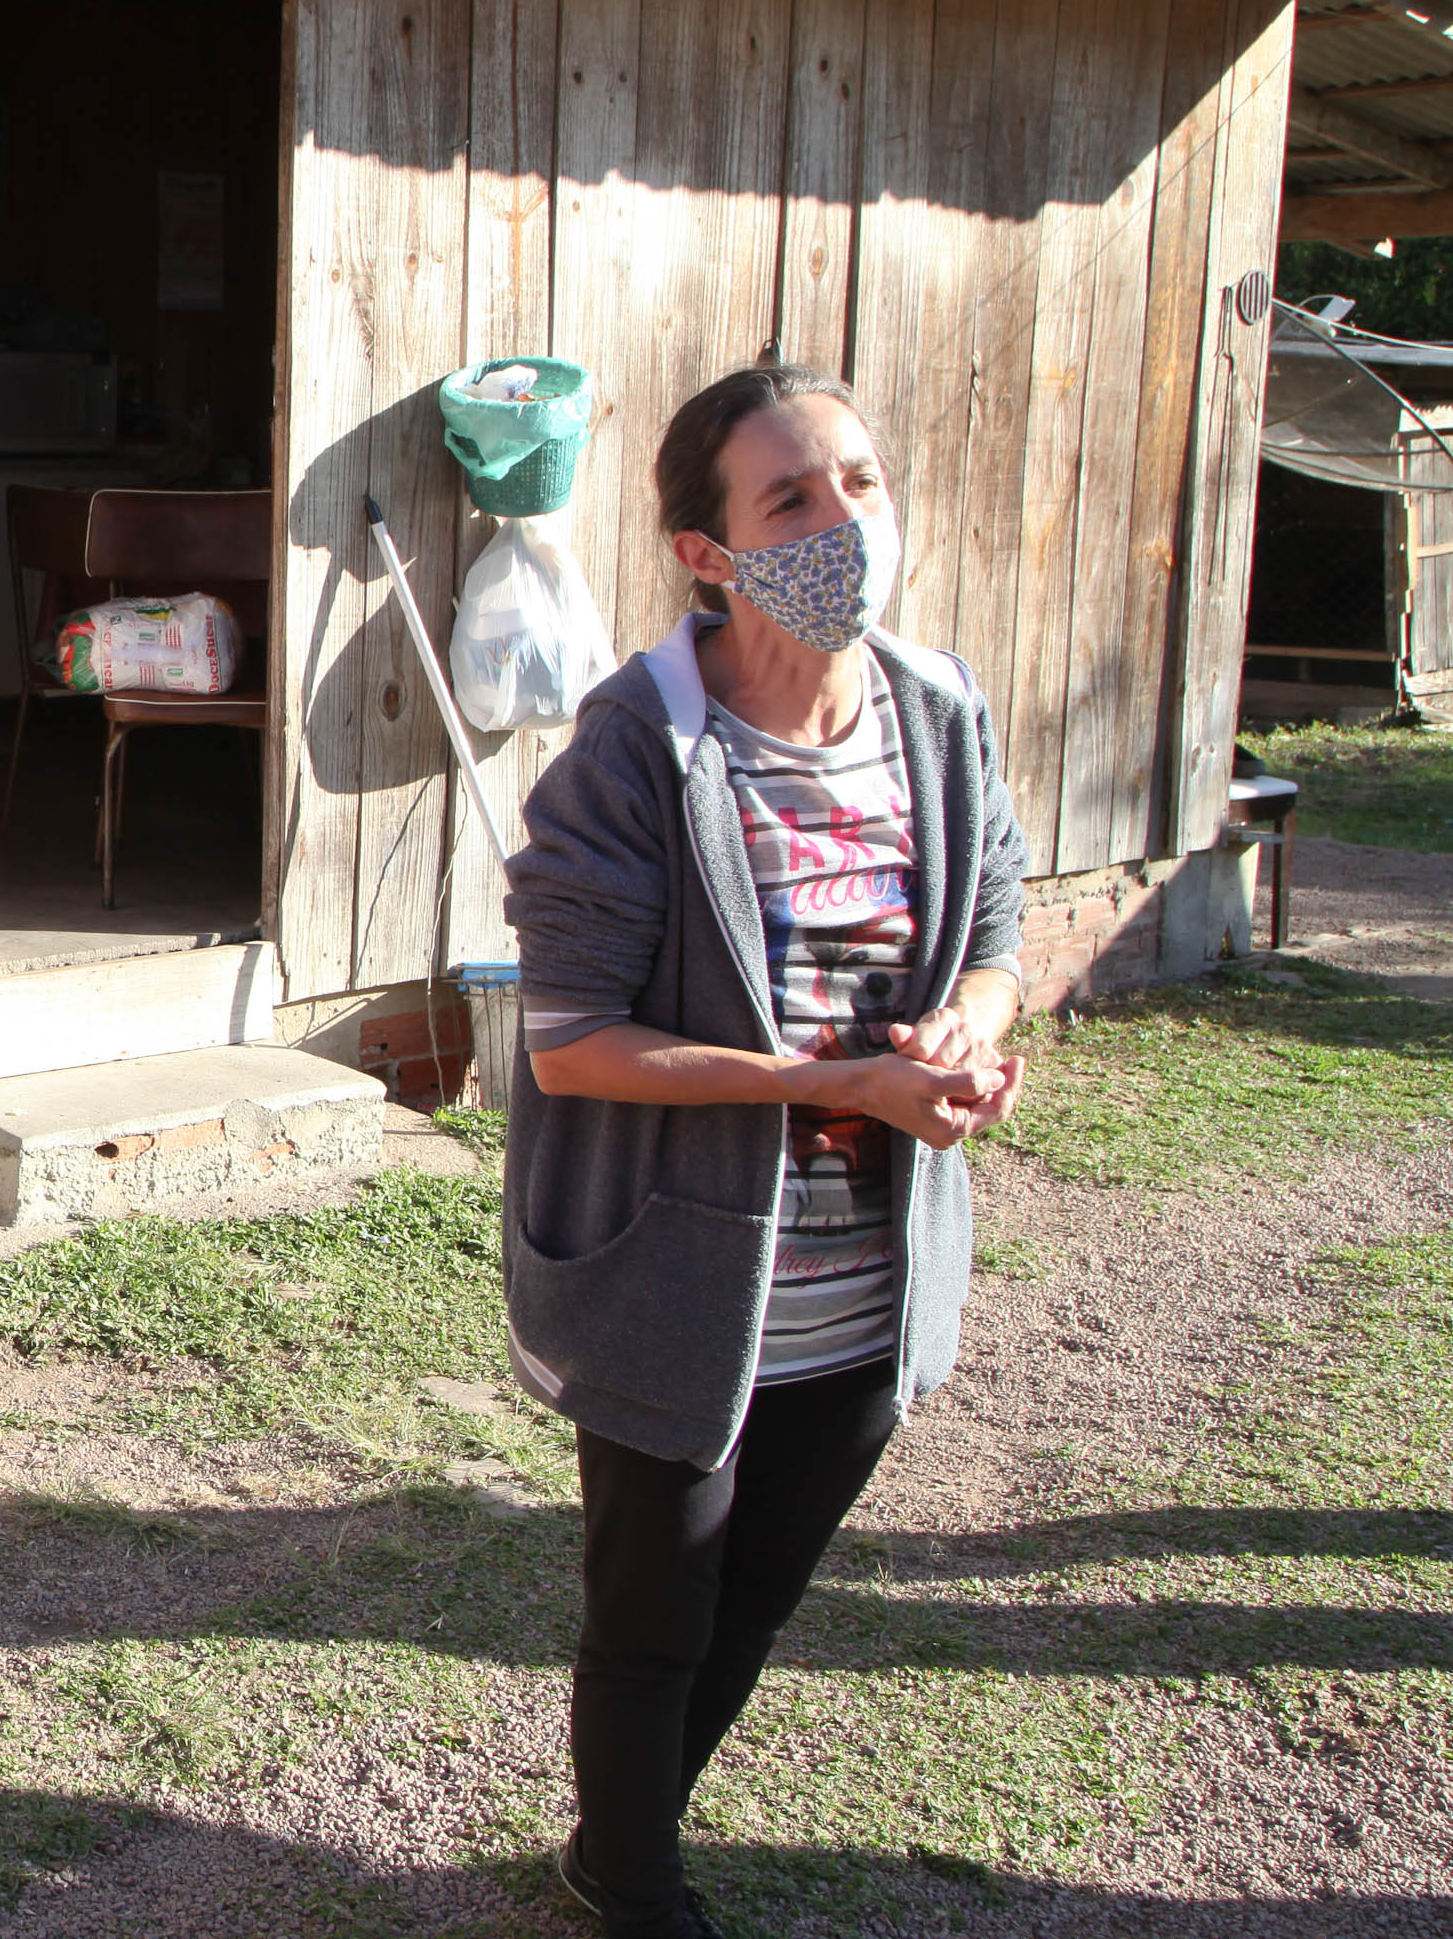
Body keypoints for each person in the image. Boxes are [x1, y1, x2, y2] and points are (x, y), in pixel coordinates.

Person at [499, 365, 1031, 1939]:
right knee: (657, 1609)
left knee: (760, 1597)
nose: (843, 522)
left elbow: (994, 929)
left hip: (869, 1272)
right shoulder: (633, 751)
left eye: (858, 481)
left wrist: (964, 1036)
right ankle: (638, 1886)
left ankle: (620, 1837)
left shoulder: (938, 717)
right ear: (705, 552)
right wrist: (826, 1085)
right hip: (685, 1267)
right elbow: (571, 1039)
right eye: (791, 498)